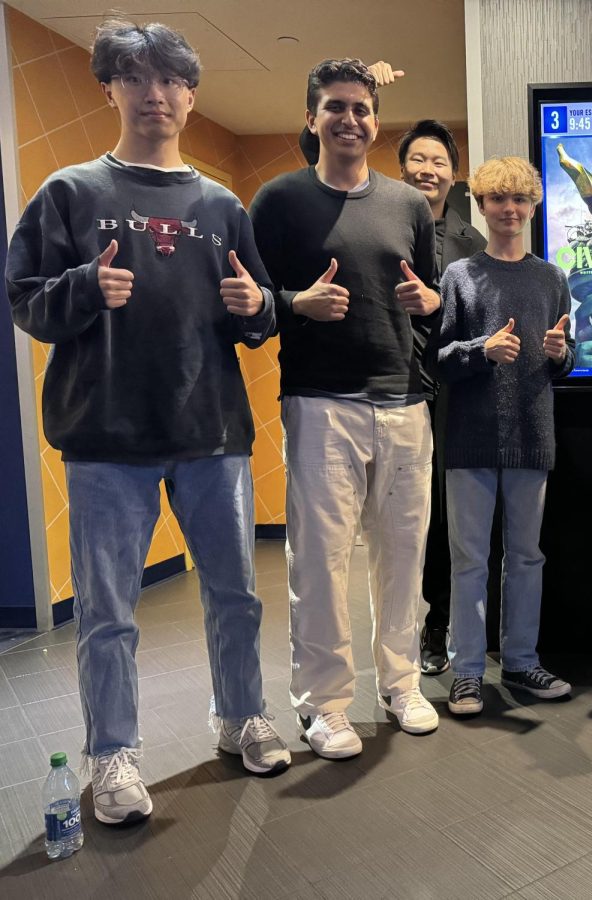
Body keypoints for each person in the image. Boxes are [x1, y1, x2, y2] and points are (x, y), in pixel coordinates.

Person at [5, 17, 290, 824]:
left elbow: (259, 310)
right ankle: (114, 758)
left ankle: (242, 717)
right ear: (111, 90)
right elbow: (25, 300)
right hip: (105, 438)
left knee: (236, 594)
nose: (156, 94)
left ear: (191, 97)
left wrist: (255, 306)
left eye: (171, 81)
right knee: (107, 615)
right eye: (137, 78)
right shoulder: (69, 192)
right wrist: (84, 290)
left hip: (214, 434)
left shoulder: (222, 203)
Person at [250, 58, 441, 759]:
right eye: (335, 107)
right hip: (320, 405)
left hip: (403, 402)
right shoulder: (278, 201)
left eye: (362, 108)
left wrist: (433, 303)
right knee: (321, 565)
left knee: (403, 556)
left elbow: (430, 300)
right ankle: (325, 707)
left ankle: (400, 683)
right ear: (312, 118)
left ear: (374, 119)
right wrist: (293, 303)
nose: (351, 119)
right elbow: (247, 304)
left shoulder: (407, 205)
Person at [435, 156, 575, 716]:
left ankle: (520, 661)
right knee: (468, 559)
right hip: (469, 438)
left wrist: (563, 354)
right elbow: (440, 360)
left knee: (526, 558)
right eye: (498, 199)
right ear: (483, 205)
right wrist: (480, 349)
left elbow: (563, 359)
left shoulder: (551, 278)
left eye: (519, 200)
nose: (509, 210)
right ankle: (466, 671)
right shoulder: (460, 277)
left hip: (532, 433)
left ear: (533, 206)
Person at [396, 120, 487, 676]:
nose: (428, 171)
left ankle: (439, 625)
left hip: (452, 393)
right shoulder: (379, 223)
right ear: (402, 166)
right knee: (402, 517)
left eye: (440, 162)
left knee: (446, 515)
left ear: (455, 176)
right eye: (418, 160)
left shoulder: (472, 243)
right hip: (390, 387)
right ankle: (402, 627)